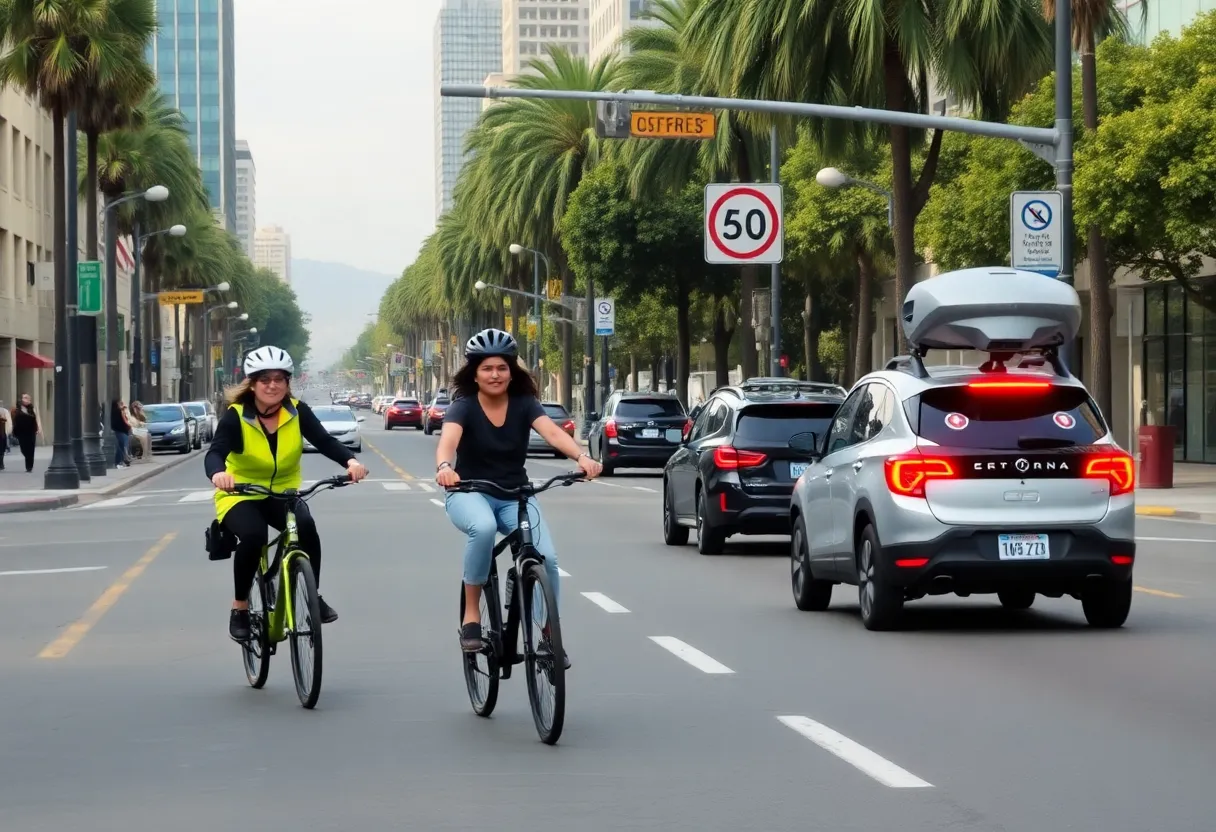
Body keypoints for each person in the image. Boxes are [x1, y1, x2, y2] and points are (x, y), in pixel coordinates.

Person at [435, 328, 600, 660]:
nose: (495, 375)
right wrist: (444, 466)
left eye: (502, 368)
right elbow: (448, 441)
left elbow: (553, 432)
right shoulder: (463, 406)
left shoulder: (525, 404)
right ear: (474, 373)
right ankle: (472, 614)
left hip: (517, 495)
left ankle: (549, 635)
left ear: (512, 371)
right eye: (487, 368)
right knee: (481, 528)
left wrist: (582, 457)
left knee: (546, 558)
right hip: (468, 492)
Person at [205, 345, 369, 642]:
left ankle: (313, 595)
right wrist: (219, 474)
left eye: (279, 379)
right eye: (264, 379)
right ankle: (240, 606)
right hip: (241, 493)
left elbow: (323, 440)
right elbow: (215, 452)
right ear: (252, 384)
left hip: (283, 492)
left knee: (306, 527)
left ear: (287, 383)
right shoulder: (236, 416)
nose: (272, 385)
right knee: (253, 536)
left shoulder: (297, 411)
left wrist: (351, 461)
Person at [10, 393, 40, 473]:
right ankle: (28, 459)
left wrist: (37, 429)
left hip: (31, 432)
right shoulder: (18, 409)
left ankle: (29, 466)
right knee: (24, 449)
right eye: (24, 398)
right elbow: (15, 420)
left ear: (29, 400)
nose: (25, 399)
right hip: (21, 432)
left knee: (31, 450)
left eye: (27, 398)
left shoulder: (32, 409)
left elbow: (35, 420)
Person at [111, 398, 131, 468]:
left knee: (120, 447)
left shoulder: (112, 412)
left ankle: (121, 461)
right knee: (123, 447)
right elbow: (125, 420)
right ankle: (121, 461)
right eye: (120, 404)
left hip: (117, 431)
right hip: (122, 431)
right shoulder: (120, 411)